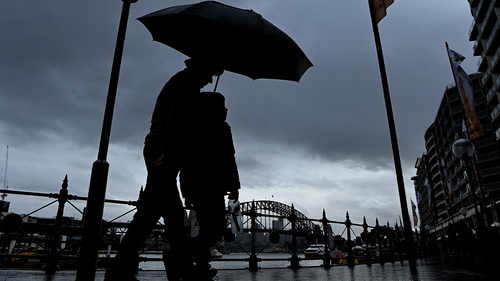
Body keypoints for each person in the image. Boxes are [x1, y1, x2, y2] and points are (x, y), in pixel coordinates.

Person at [104, 59, 224, 281]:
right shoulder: (187, 81)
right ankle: (122, 271)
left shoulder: (182, 80)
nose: (211, 80)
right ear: (204, 68)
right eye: (212, 73)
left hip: (160, 147)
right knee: (159, 214)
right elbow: (176, 119)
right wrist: (167, 153)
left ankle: (124, 270)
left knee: (162, 213)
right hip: (163, 149)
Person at [179, 92, 241, 280]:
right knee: (217, 229)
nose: (226, 110)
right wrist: (234, 186)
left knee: (206, 229)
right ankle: (180, 255)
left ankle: (202, 269)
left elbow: (185, 162)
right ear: (212, 109)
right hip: (213, 187)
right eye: (222, 107)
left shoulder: (190, 128)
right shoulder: (221, 128)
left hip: (195, 187)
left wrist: (186, 191)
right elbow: (229, 158)